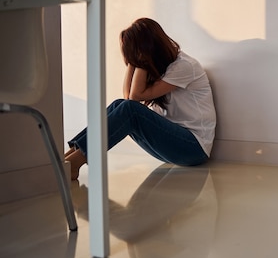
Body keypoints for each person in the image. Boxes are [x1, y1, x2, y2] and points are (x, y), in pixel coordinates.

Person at [64, 17, 217, 180]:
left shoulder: (183, 65)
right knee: (120, 104)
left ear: (149, 47)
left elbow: (135, 98)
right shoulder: (162, 66)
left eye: (135, 53)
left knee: (129, 108)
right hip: (175, 144)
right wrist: (133, 60)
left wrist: (140, 58)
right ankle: (69, 158)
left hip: (193, 148)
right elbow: (128, 97)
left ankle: (74, 163)